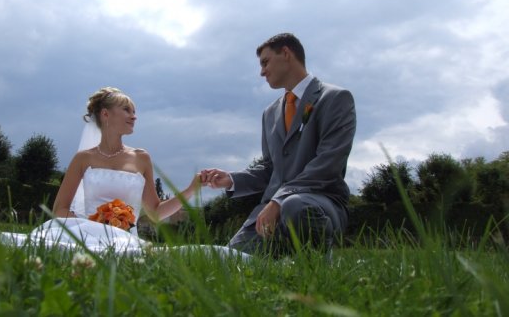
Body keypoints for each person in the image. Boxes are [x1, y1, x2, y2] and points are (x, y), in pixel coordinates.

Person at [200, 33, 356, 256]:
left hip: (318, 202)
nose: (262, 72)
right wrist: (232, 179)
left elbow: (328, 163)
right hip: (269, 210)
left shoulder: (335, 99)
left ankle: (318, 266)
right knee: (230, 261)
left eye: (265, 62)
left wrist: (280, 200)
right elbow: (270, 169)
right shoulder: (269, 113)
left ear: (285, 53)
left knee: (295, 206)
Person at [32, 86, 203, 252]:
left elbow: (156, 213)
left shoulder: (141, 158)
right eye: (127, 110)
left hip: (126, 242)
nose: (134, 117)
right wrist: (90, 227)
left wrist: (191, 189)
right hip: (88, 239)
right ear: (105, 114)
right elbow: (60, 209)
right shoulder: (82, 159)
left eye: (134, 112)